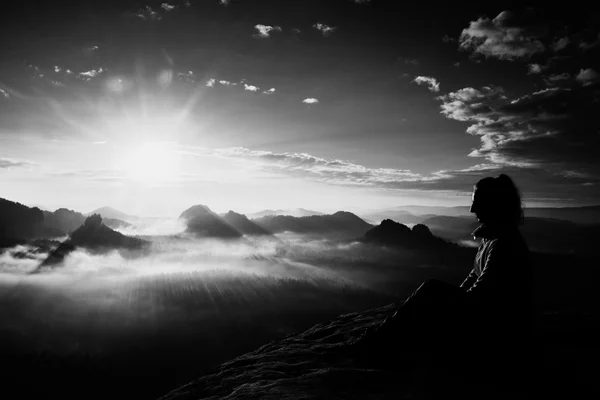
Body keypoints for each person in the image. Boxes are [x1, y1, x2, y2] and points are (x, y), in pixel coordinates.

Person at [351, 174, 533, 388]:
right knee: (433, 294)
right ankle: (380, 341)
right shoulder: (491, 239)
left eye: (478, 201)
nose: (472, 209)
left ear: (494, 205)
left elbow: (482, 296)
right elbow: (473, 279)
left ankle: (375, 343)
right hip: (490, 319)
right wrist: (448, 302)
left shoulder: (503, 245)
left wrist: (445, 304)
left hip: (499, 330)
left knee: (431, 290)